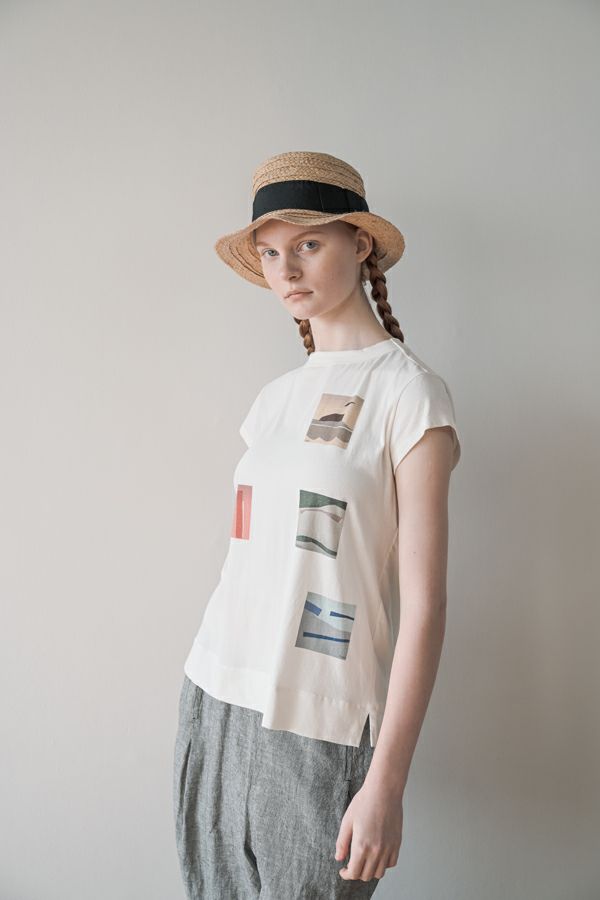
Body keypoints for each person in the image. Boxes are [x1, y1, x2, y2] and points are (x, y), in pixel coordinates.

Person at [173, 150, 462, 898]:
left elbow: (425, 606)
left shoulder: (410, 394)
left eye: (307, 243)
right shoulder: (273, 401)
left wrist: (386, 781)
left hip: (321, 717)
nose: (287, 270)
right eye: (270, 253)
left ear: (360, 244)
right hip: (216, 690)